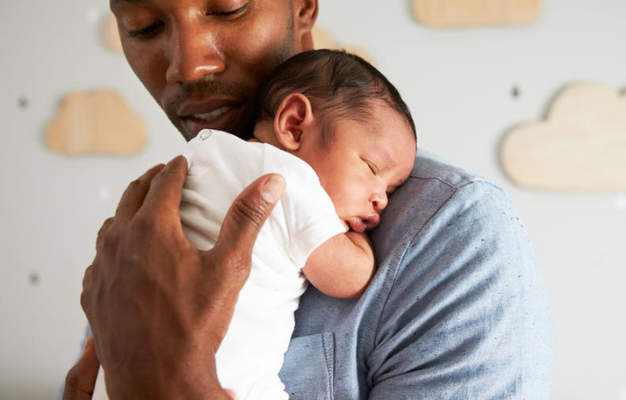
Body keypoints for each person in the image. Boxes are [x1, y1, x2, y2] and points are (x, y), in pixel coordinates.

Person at [64, 1, 553, 399]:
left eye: (228, 8)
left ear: (301, 8)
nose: (188, 64)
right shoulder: (150, 220)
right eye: (144, 27)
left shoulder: (452, 232)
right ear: (292, 124)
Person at [181, 49, 416, 399]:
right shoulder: (291, 180)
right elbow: (349, 278)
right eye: (371, 168)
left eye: (391, 190)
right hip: (230, 381)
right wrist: (356, 238)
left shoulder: (202, 154)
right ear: (293, 126)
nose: (381, 199)